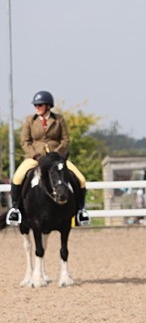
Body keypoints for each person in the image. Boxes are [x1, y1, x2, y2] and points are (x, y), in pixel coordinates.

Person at [5, 91, 90, 226]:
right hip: (35, 158)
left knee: (81, 179)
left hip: (57, 159)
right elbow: (25, 141)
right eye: (36, 105)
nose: (37, 107)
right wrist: (35, 155)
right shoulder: (30, 120)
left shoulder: (59, 119)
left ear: (48, 106)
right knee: (17, 177)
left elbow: (65, 140)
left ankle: (81, 210)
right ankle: (15, 210)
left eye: (40, 105)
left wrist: (55, 155)